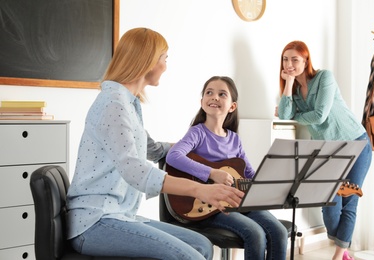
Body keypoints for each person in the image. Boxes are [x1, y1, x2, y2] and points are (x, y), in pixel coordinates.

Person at [66, 28, 244, 260]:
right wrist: (201, 189)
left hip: (119, 214)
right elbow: (135, 172)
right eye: (164, 59)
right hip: (95, 221)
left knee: (201, 244)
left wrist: (194, 151)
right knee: (191, 257)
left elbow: (151, 148)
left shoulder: (128, 103)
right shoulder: (114, 104)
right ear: (147, 61)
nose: (166, 66)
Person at [166, 76, 288, 260]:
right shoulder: (197, 132)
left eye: (222, 94)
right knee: (254, 233)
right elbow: (173, 156)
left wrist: (270, 182)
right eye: (209, 93)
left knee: (279, 231)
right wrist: (212, 173)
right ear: (202, 102)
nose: (214, 97)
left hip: (238, 201)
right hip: (211, 206)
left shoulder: (235, 139)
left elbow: (249, 174)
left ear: (232, 106)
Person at [275, 41, 372, 260]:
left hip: (356, 142)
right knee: (329, 205)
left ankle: (338, 255)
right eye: (285, 59)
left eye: (295, 59)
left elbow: (320, 115)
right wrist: (289, 82)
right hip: (329, 152)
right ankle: (344, 249)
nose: (289, 64)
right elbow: (283, 114)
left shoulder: (324, 77)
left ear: (306, 60)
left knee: (350, 201)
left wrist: (296, 117)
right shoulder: (296, 92)